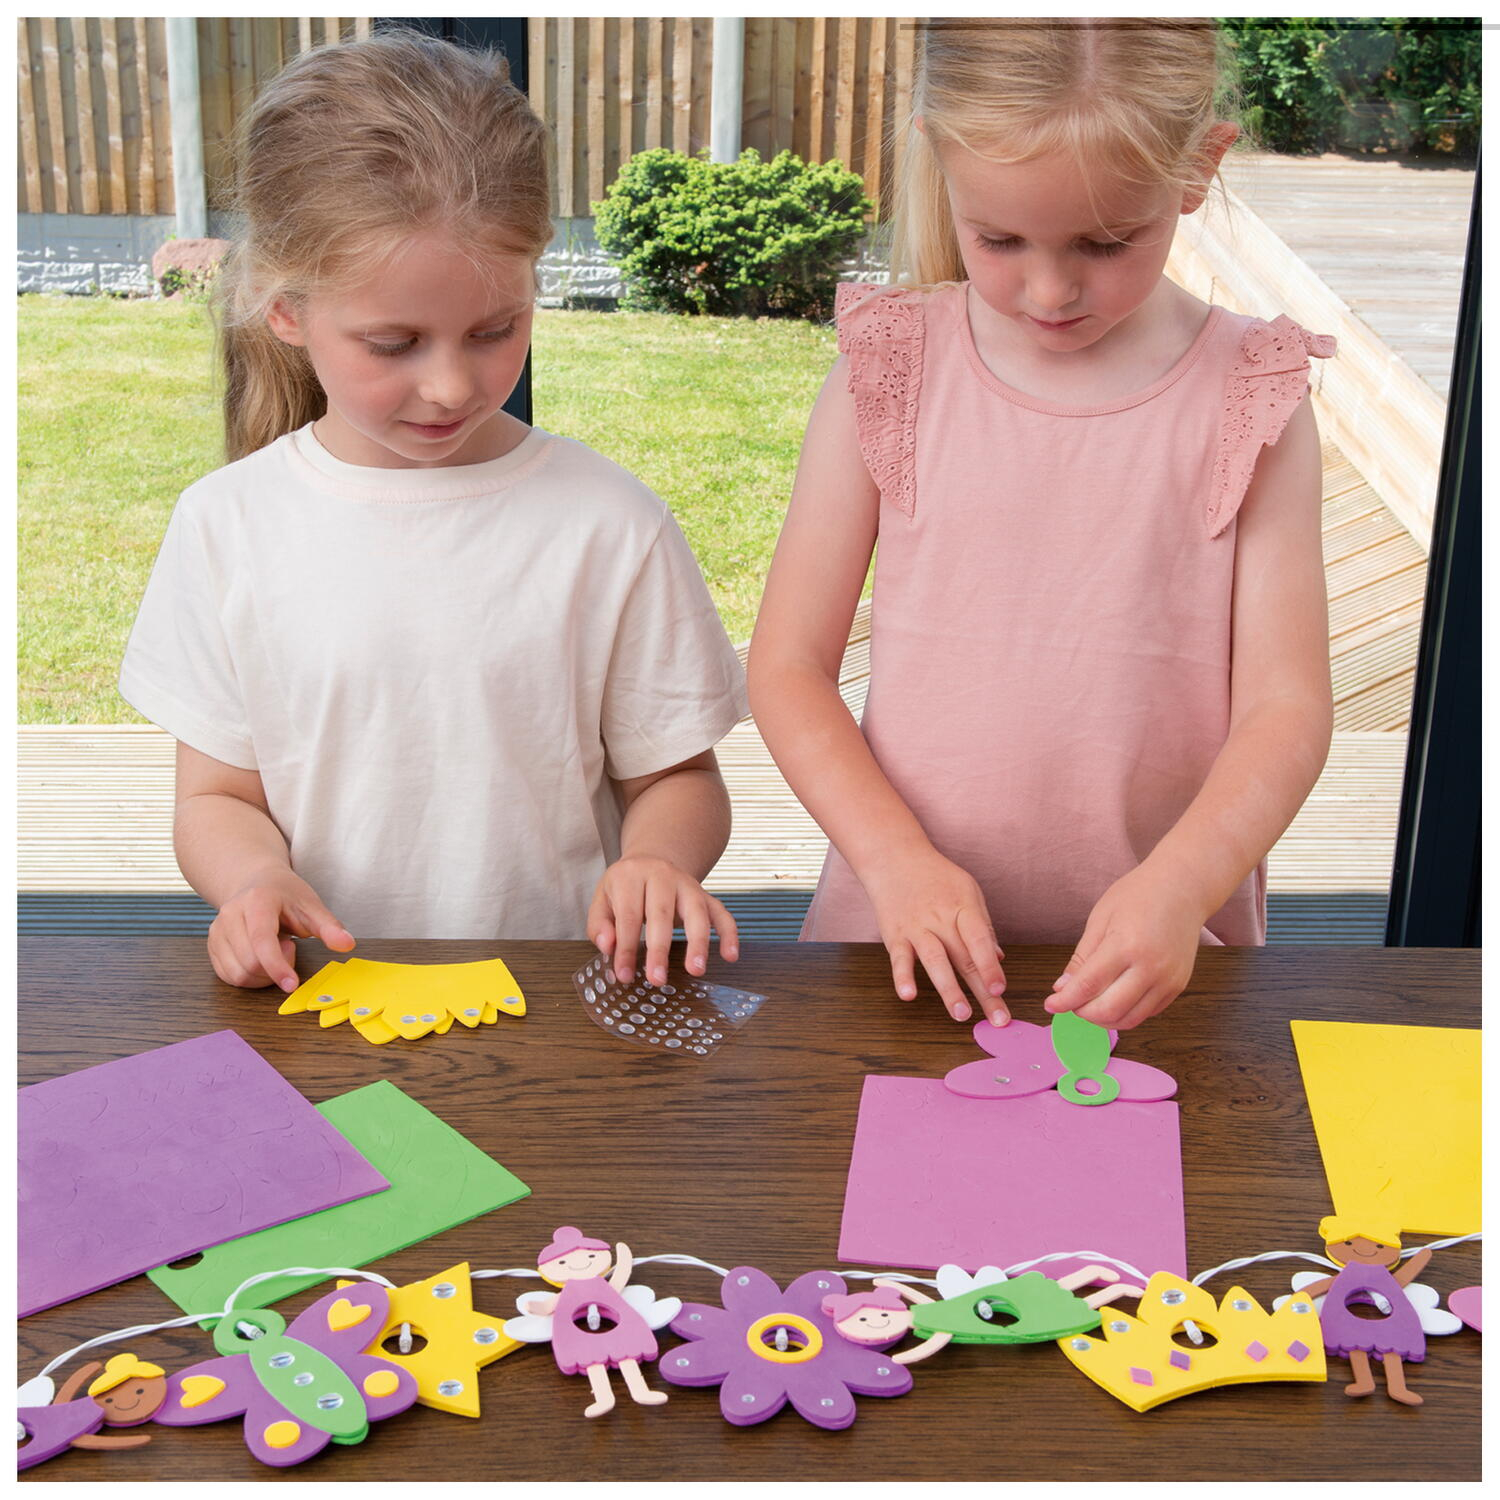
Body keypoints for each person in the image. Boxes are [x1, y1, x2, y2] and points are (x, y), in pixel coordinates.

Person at [119, 32, 746, 992]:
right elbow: (216, 798)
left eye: (495, 329)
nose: (452, 385)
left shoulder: (611, 524)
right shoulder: (225, 527)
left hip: (561, 1009)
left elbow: (677, 777)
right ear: (286, 309)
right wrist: (251, 881)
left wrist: (659, 862)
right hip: (322, 1003)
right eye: (394, 343)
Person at [749, 17, 1334, 1030]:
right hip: (898, 956)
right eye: (1000, 240)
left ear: (1199, 168)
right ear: (941, 162)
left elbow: (1287, 710)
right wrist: (894, 860)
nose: (1052, 290)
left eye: (1105, 243)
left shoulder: (1253, 393)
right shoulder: (890, 368)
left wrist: (1182, 886)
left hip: (1156, 979)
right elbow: (788, 667)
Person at [1298, 1217, 1430, 1405]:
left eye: (1380, 1246)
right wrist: (1301, 1296)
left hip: (1394, 1321)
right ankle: (1364, 1382)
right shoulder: (1348, 1274)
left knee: (1393, 1350)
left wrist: (1420, 1259)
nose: (1367, 1249)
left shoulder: (1382, 1275)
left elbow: (1400, 1280)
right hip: (1346, 1318)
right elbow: (1325, 1284)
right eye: (1349, 1243)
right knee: (1355, 1346)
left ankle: (1398, 1388)